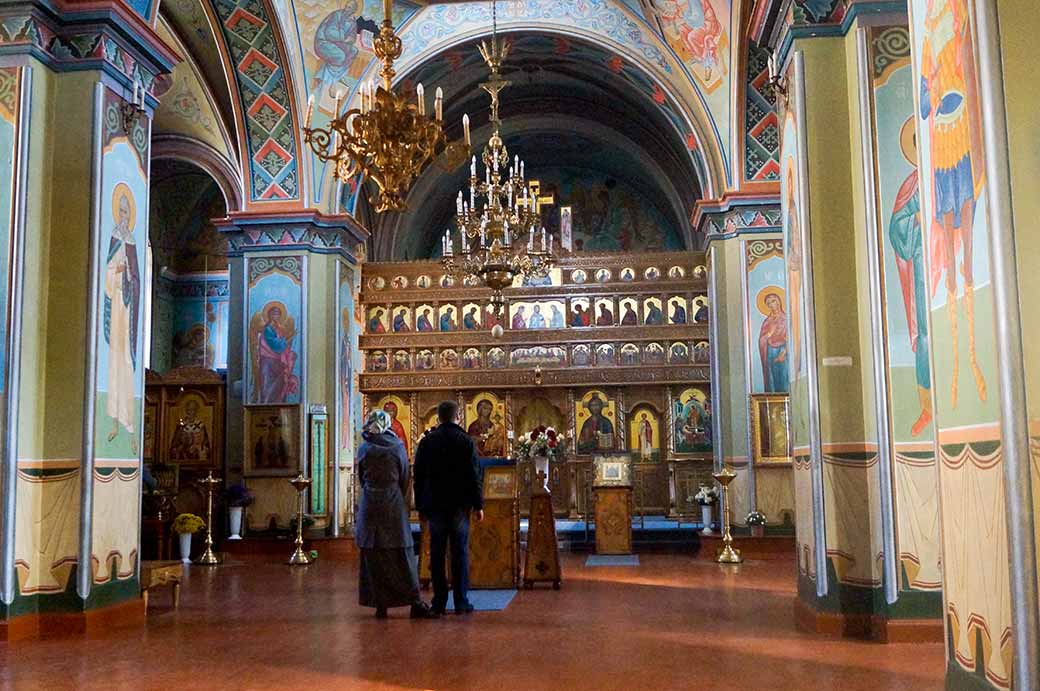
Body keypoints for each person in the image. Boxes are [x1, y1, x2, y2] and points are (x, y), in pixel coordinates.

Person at [356, 410, 436, 619]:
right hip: (392, 503)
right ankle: (414, 602)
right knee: (402, 554)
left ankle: (379, 604)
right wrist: (397, 497)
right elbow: (404, 477)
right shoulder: (397, 447)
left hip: (370, 505)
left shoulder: (364, 448)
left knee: (374, 555)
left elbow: (361, 478)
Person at [413, 401, 484, 616]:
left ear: (439, 418)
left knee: (436, 553)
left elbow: (419, 476)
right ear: (457, 417)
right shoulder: (466, 441)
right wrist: (478, 504)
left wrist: (420, 507)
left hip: (435, 505)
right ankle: (461, 602)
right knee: (460, 552)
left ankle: (438, 602)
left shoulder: (427, 442)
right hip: (460, 505)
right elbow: (474, 476)